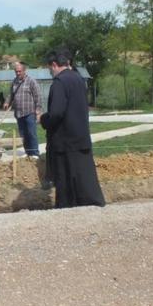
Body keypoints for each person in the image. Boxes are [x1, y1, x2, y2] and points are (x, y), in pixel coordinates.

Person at [39, 49, 105, 208]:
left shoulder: (59, 83)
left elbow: (56, 113)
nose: (50, 72)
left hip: (65, 141)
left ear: (54, 65)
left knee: (65, 179)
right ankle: (92, 205)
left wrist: (43, 119)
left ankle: (66, 209)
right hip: (81, 137)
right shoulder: (78, 79)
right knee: (84, 177)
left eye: (49, 68)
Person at [3, 62, 42, 159]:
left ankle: (35, 154)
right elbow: (11, 94)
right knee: (23, 135)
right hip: (19, 113)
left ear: (24, 71)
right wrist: (7, 102)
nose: (18, 73)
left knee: (31, 133)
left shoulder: (31, 81)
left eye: (20, 71)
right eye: (16, 71)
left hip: (29, 112)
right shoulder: (14, 82)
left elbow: (38, 96)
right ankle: (28, 152)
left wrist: (38, 111)